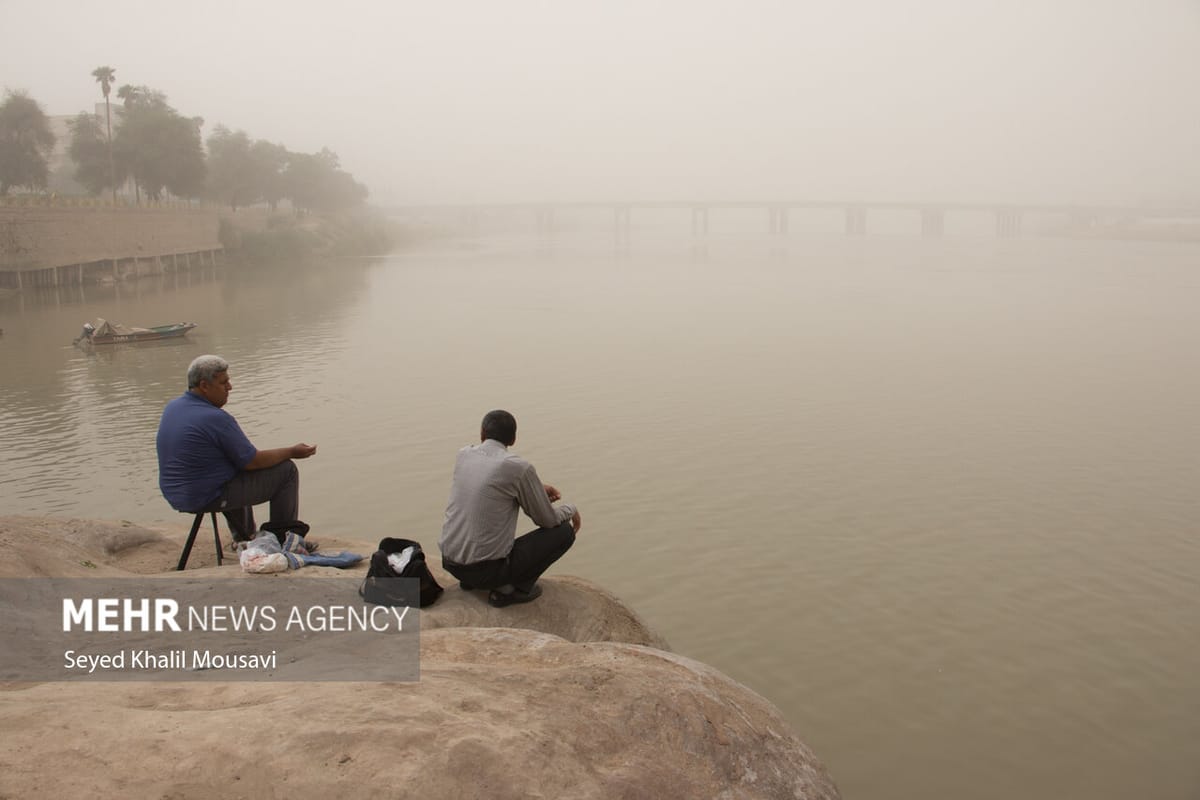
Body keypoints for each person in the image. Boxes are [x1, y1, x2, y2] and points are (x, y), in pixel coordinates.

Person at [156, 354, 317, 543]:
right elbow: (252, 461)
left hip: (177, 494)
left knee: (232, 468)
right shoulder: (215, 418)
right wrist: (291, 451)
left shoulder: (173, 407)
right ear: (204, 386)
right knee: (286, 470)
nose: (229, 387)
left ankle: (245, 537)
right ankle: (284, 539)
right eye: (223, 383)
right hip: (204, 496)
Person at [439, 410, 582, 607]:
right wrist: (571, 510)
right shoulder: (518, 467)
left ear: (482, 433)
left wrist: (536, 489)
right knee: (564, 532)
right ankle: (510, 591)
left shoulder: (463, 455)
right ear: (513, 439)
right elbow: (546, 520)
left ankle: (470, 581)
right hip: (486, 571)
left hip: (450, 562)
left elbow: (488, 487)